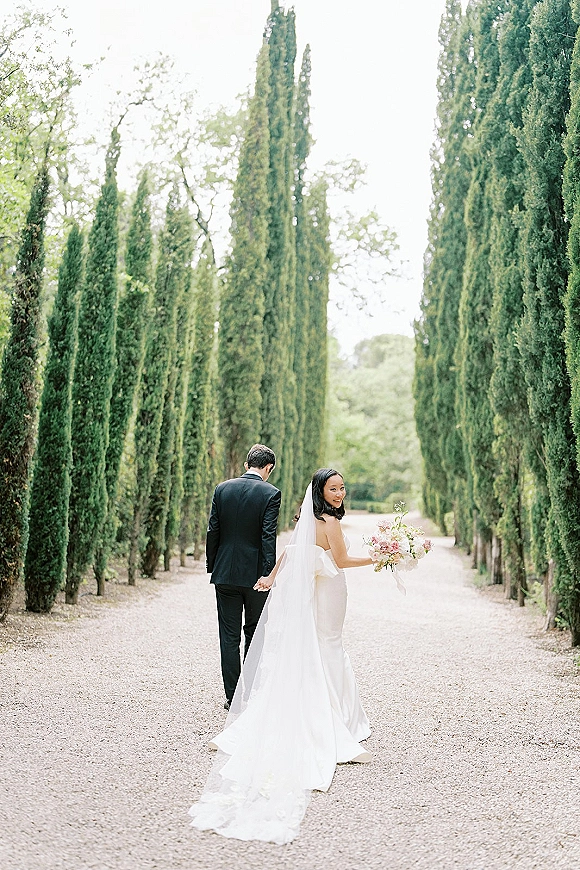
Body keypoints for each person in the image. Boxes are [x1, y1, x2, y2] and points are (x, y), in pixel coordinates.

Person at [189, 468, 374, 844]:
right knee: (330, 646)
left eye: (342, 488)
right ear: (320, 492)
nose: (340, 493)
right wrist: (383, 558)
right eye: (333, 488)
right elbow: (340, 562)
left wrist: (272, 577)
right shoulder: (331, 524)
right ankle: (336, 716)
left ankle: (319, 705)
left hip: (317, 594)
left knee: (322, 648)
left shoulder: (311, 520)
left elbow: (291, 551)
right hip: (331, 593)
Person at [205, 443, 281, 711]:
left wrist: (213, 565)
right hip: (255, 576)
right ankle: (250, 693)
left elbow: (213, 531)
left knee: (228, 635)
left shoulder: (222, 489)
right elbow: (267, 537)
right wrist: (267, 574)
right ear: (268, 468)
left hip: (225, 573)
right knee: (254, 633)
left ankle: (232, 698)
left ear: (247, 463)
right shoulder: (271, 493)